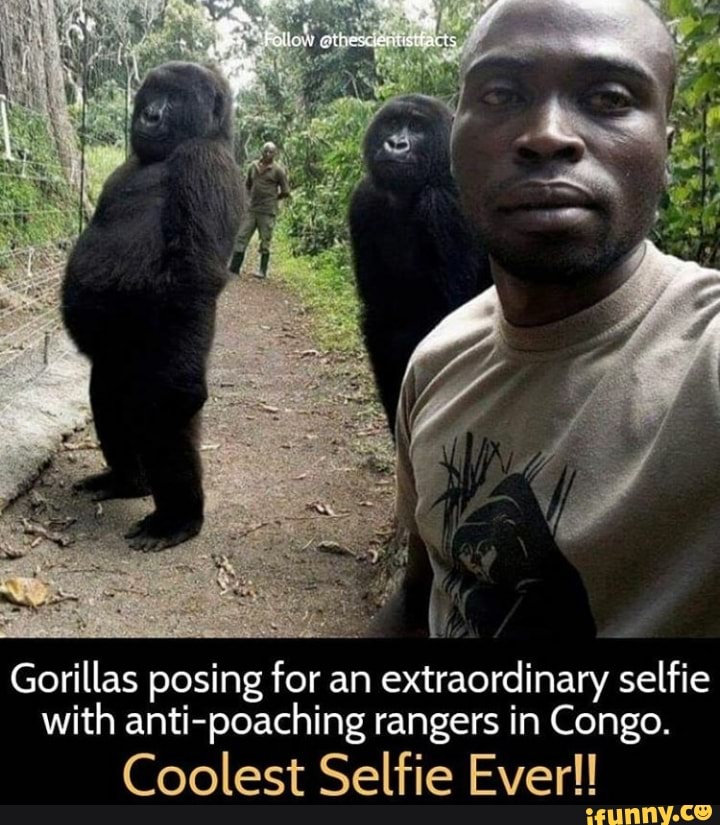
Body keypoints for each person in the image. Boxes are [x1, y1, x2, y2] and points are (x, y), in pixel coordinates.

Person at [371, 0, 720, 638]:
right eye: (502, 93)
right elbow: (424, 592)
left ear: (666, 152)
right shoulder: (437, 361)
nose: (546, 134)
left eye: (610, 97)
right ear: (456, 143)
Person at [230, 141, 290, 279]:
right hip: (251, 209)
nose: (268, 154)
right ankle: (234, 268)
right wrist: (245, 200)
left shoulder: (278, 170)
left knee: (265, 240)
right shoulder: (253, 167)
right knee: (241, 237)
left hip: (267, 211)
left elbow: (286, 191)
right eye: (266, 151)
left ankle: (262, 271)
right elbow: (247, 186)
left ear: (275, 154)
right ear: (262, 152)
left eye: (271, 152)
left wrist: (274, 198)